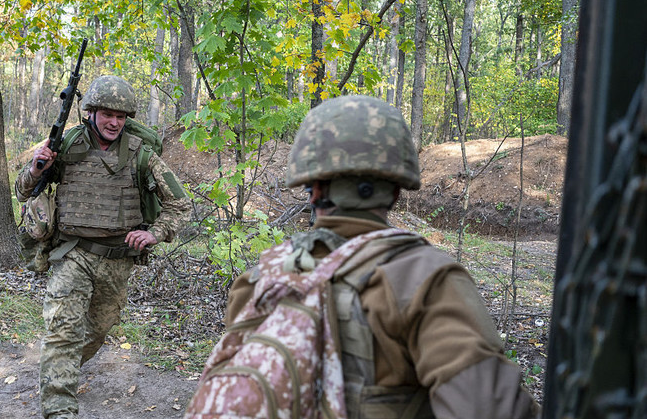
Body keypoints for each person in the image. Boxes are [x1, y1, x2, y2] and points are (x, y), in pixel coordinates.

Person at [222, 95, 540, 418]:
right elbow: (487, 409)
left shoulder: (258, 280)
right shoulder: (425, 281)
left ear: (314, 190)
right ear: (396, 192)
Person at [15, 75, 191, 419]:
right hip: (71, 252)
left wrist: (155, 233)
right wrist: (36, 169)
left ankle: (58, 370)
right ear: (90, 112)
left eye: (121, 116)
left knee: (97, 330)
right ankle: (59, 406)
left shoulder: (143, 155)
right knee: (63, 330)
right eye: (107, 114)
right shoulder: (65, 146)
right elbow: (23, 191)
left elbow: (180, 206)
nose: (114, 122)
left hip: (117, 259)